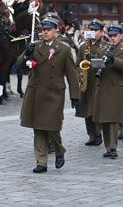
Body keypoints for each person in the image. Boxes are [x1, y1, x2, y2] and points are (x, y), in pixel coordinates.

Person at [17, 16, 80, 173]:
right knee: (38, 127)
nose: (45, 33)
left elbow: (72, 75)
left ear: (55, 32)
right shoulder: (35, 46)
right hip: (36, 91)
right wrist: (27, 53)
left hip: (54, 93)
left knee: (52, 128)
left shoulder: (64, 49)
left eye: (48, 30)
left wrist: (75, 96)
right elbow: (19, 64)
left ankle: (59, 150)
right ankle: (41, 162)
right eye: (43, 30)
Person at [93, 24, 123, 158]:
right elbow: (96, 66)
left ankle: (113, 147)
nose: (112, 38)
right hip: (103, 86)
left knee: (114, 119)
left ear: (121, 36)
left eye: (115, 36)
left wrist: (114, 59)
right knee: (104, 118)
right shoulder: (102, 49)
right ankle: (107, 147)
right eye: (110, 36)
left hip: (117, 87)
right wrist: (93, 62)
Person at [75, 19, 107, 146]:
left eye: (96, 30)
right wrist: (80, 73)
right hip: (86, 80)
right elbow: (77, 64)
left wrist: (93, 59)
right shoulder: (83, 46)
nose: (93, 32)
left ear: (101, 32)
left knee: (96, 109)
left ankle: (99, 134)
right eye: (91, 30)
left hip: (98, 81)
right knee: (86, 110)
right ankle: (91, 135)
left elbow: (104, 65)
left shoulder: (105, 46)